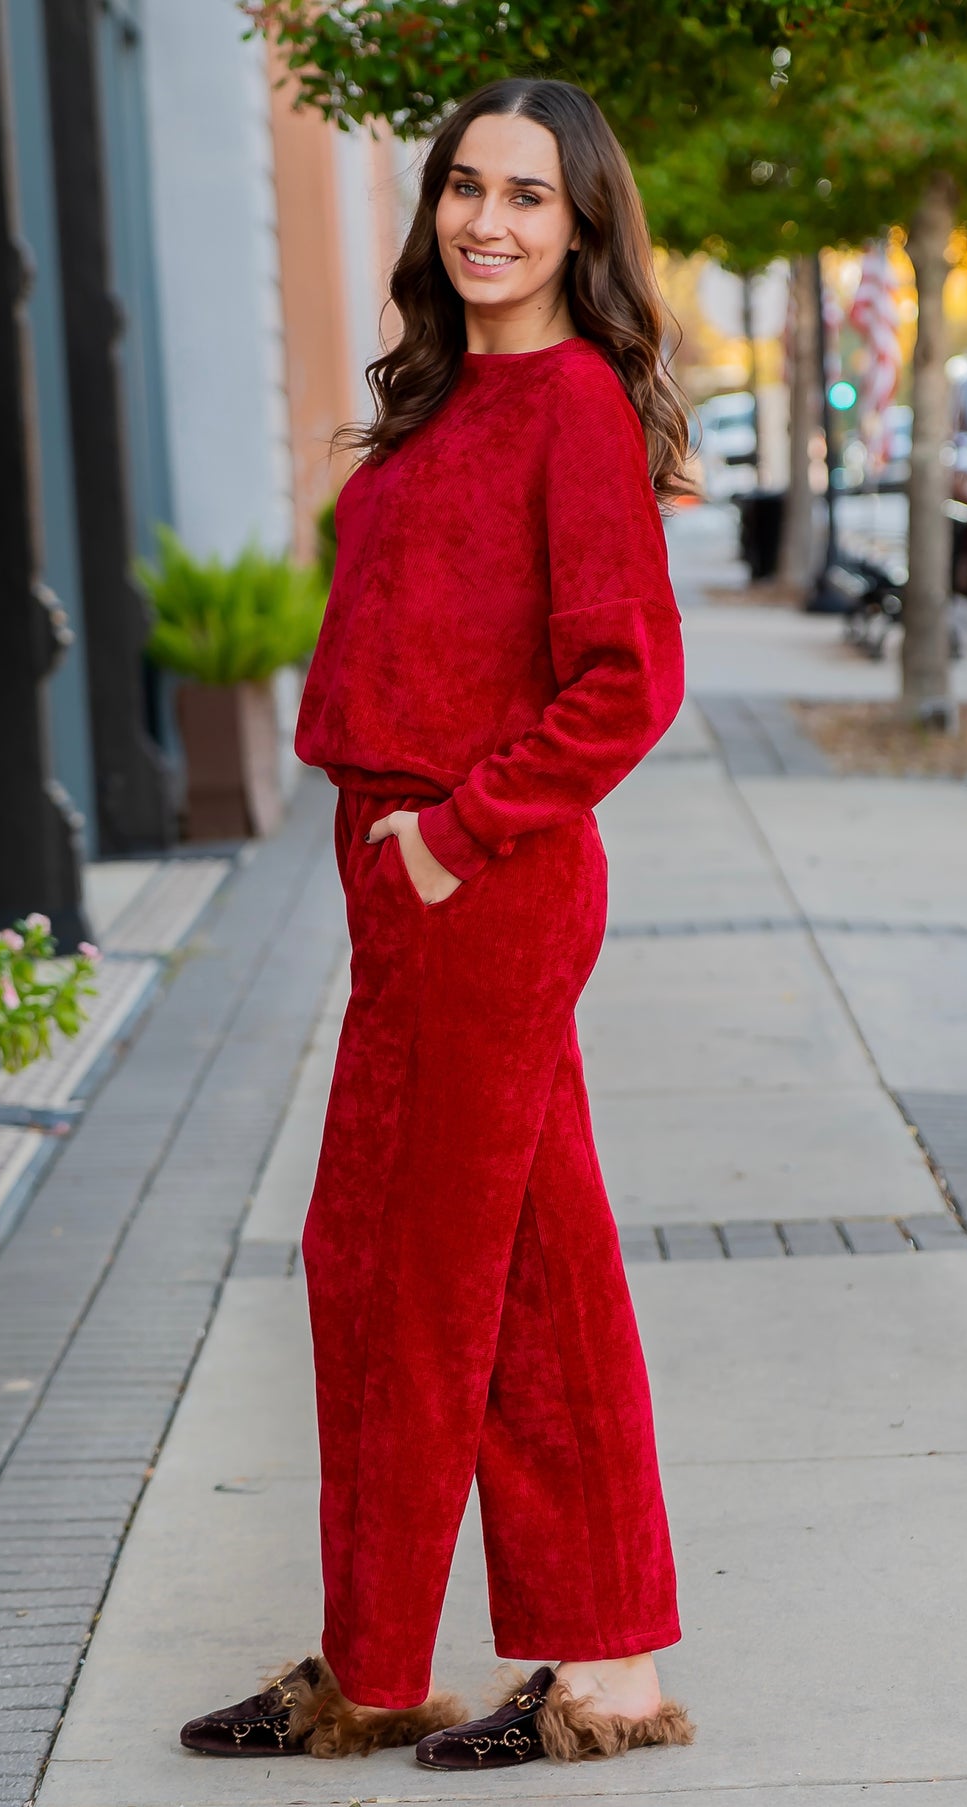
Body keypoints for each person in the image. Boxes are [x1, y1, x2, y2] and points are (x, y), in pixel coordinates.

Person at [179, 74, 694, 1774]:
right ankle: (553, 1666)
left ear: (583, 225)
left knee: (399, 1267)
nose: (485, 219)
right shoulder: (441, 400)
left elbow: (628, 681)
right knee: (495, 1274)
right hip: (405, 878)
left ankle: (396, 1662)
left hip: (483, 879)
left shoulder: (570, 408)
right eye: (463, 186)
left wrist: (455, 841)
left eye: (527, 196)